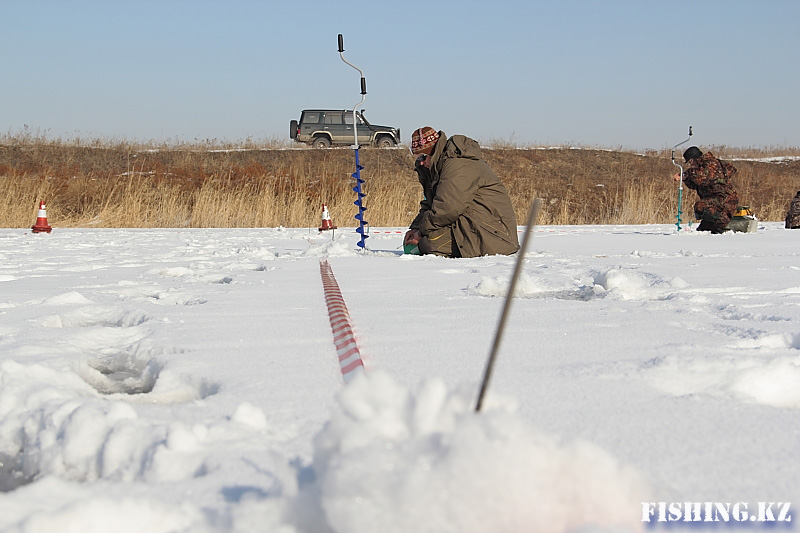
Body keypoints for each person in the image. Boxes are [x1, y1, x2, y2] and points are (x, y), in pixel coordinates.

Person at [403, 127, 520, 258]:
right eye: (418, 158)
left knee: (427, 243)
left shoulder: (458, 163)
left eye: (424, 156)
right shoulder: (438, 166)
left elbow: (448, 208)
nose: (422, 162)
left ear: (433, 152)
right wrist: (415, 228)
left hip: (493, 233)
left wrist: (421, 233)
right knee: (412, 244)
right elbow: (430, 204)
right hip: (468, 224)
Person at [674, 146, 739, 234]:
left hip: (725, 200)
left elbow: (702, 176)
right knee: (703, 232)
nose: (690, 165)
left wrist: (686, 173)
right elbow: (694, 184)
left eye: (690, 162)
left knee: (700, 206)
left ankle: (724, 221)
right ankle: (716, 226)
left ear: (694, 159)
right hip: (715, 201)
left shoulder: (712, 164)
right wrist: (685, 178)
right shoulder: (699, 169)